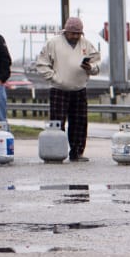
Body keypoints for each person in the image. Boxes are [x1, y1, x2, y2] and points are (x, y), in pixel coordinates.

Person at [32, 17, 101, 161]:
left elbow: (96, 64)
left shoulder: (87, 45)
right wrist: (54, 77)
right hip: (59, 88)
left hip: (79, 88)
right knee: (58, 122)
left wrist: (91, 68)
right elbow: (41, 64)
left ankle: (77, 152)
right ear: (65, 31)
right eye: (72, 33)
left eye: (78, 34)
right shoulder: (53, 43)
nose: (75, 36)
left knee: (80, 123)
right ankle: (56, 151)